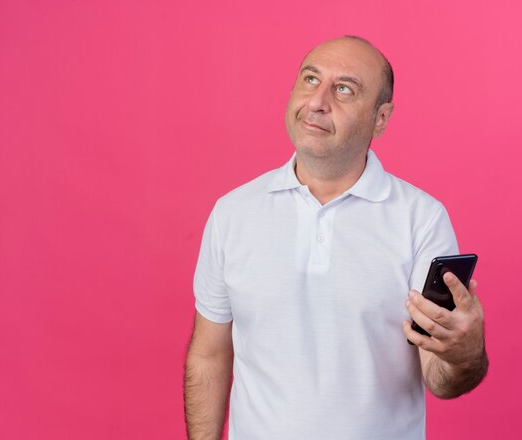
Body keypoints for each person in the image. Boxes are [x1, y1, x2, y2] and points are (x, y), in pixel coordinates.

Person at [184, 35, 488, 440]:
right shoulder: (232, 213)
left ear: (381, 118)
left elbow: (441, 378)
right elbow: (208, 355)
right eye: (310, 79)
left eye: (344, 89)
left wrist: (465, 352)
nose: (317, 101)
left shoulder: (421, 219)